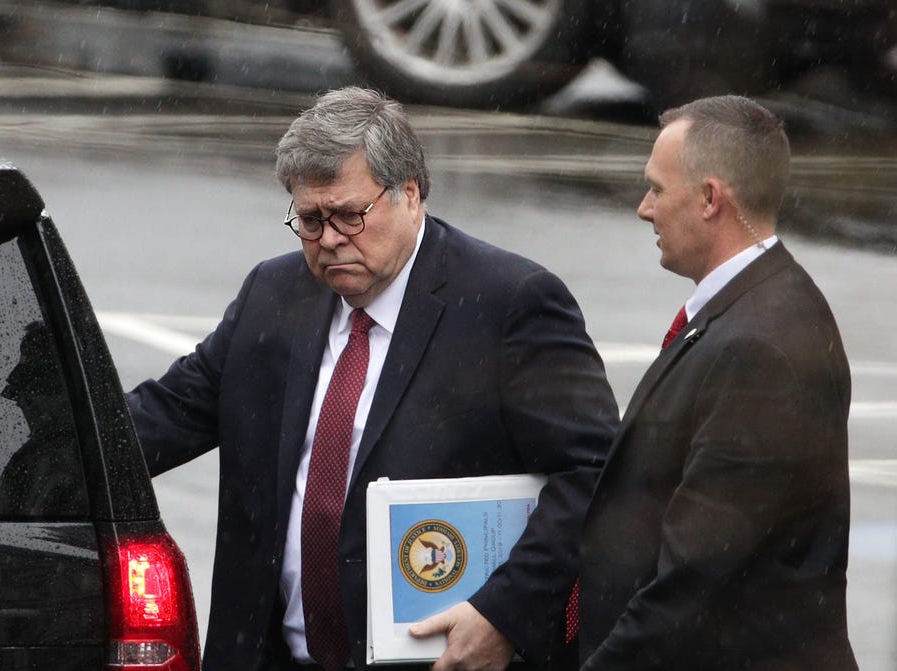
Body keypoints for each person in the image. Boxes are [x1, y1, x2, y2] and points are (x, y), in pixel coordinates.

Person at [127, 86, 618, 671]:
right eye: (310, 220)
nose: (330, 238)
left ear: (410, 194)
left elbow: (596, 475)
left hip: (438, 658)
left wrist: (505, 614)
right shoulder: (272, 294)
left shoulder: (508, 304)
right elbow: (160, 417)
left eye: (349, 215)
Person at [577, 95, 857, 670]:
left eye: (656, 188)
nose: (643, 208)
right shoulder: (762, 305)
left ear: (710, 199)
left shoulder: (758, 346)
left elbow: (695, 578)